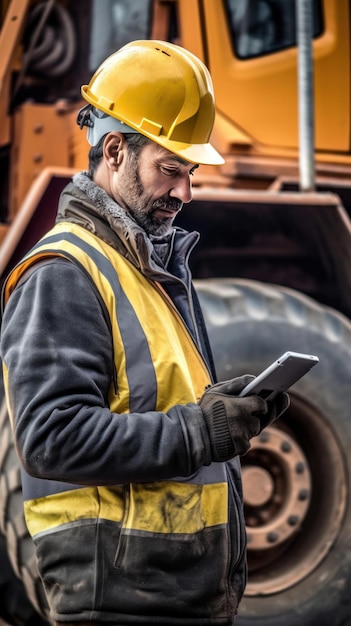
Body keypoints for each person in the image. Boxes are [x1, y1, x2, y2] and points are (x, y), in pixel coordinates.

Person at [0, 39, 289, 626]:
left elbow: (148, 403)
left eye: (191, 173)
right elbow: (52, 439)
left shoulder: (146, 268)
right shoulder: (64, 273)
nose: (186, 193)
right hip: (118, 595)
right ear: (114, 150)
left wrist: (217, 411)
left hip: (167, 593)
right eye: (171, 169)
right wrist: (199, 431)